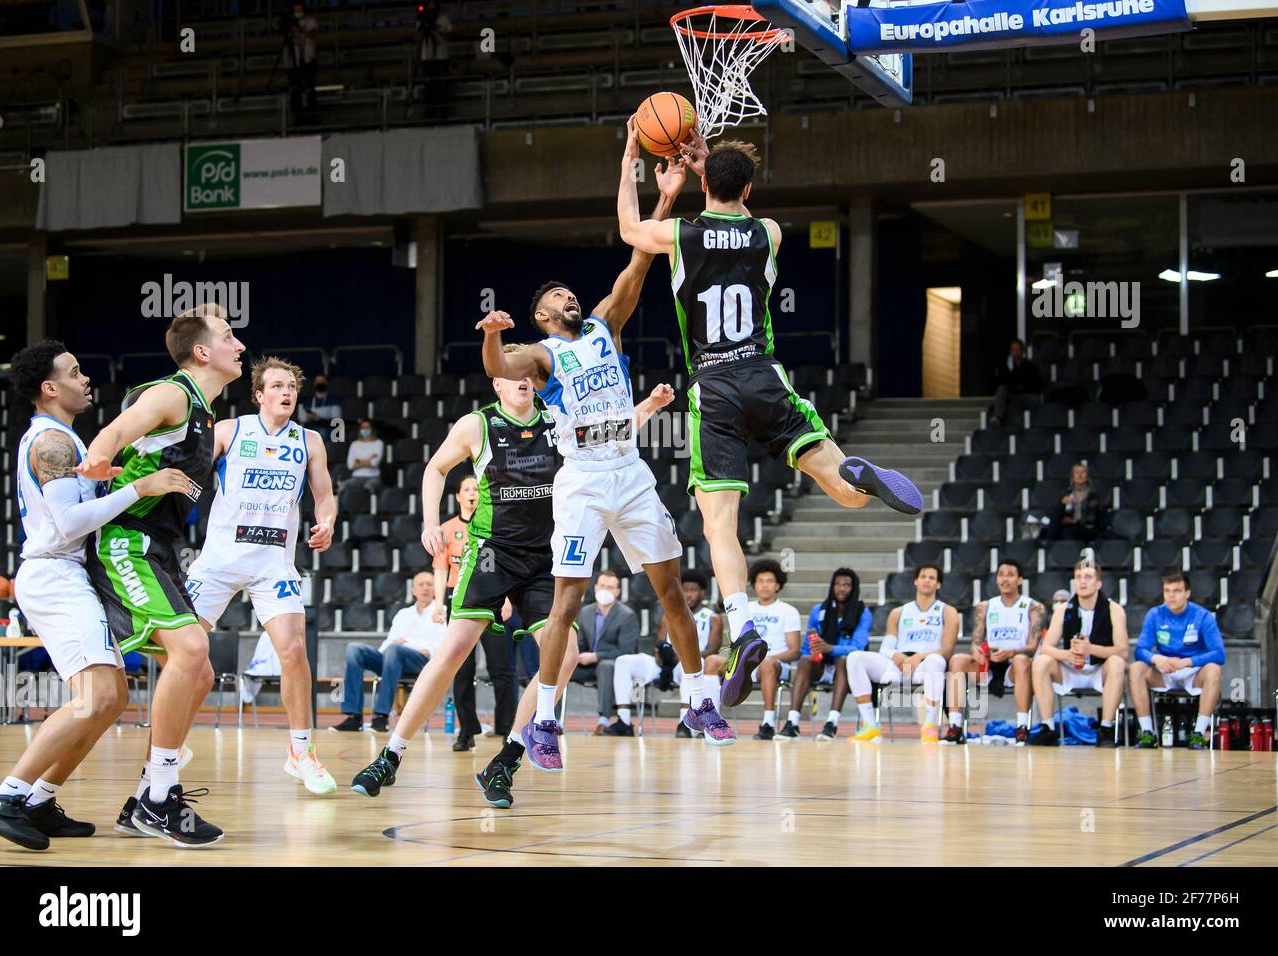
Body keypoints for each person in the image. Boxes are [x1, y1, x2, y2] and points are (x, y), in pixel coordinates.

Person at [616, 127, 923, 714]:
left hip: (716, 387)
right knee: (846, 494)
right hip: (765, 376)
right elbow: (739, 216)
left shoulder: (681, 234)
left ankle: (742, 626)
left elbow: (631, 229)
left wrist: (632, 159)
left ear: (706, 184)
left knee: (718, 526)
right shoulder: (769, 233)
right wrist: (715, 172)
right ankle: (854, 471)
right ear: (750, 188)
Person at [469, 156, 743, 775]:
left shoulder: (603, 326)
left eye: (570, 293)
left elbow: (640, 261)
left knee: (671, 588)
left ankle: (701, 700)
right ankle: (543, 721)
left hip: (631, 472)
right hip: (584, 481)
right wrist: (491, 332)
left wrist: (664, 196)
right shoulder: (538, 355)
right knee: (566, 600)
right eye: (556, 297)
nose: (568, 298)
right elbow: (496, 368)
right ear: (541, 315)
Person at [348, 352, 680, 808]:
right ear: (498, 386)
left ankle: (508, 758)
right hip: (491, 552)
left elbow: (611, 437)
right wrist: (430, 521)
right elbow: (435, 468)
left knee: (560, 657)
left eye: (528, 373)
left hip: (547, 556)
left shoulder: (560, 417)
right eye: (512, 374)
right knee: (453, 649)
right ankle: (391, 754)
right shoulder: (476, 425)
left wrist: (646, 406)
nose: (523, 379)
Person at [0, 344, 191, 851]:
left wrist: (109, 485)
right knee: (95, 698)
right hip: (54, 574)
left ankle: (40, 799)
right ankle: (7, 796)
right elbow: (70, 523)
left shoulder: (68, 441)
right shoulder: (51, 441)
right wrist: (138, 488)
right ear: (49, 388)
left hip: (66, 573)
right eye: (74, 373)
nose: (86, 380)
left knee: (113, 697)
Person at [78, 303, 245, 846]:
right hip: (128, 540)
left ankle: (147, 793)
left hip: (165, 549)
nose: (239, 345)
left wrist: (209, 313)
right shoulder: (172, 393)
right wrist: (101, 461)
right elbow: (116, 430)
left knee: (199, 670)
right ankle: (160, 798)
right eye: (228, 336)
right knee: (192, 652)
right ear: (202, 353)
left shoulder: (204, 412)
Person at [182, 357, 337, 794]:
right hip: (219, 559)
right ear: (259, 394)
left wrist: (327, 521)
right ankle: (171, 743)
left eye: (292, 386)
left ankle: (301, 752)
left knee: (292, 651)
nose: (287, 392)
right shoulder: (230, 432)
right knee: (187, 656)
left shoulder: (310, 441)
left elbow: (324, 496)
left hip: (273, 562)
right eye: (277, 386)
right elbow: (189, 475)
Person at [437, 475, 516, 752]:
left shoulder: (494, 524)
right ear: (458, 496)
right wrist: (438, 604)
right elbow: (440, 568)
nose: (471, 493)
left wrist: (507, 599)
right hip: (459, 602)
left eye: (475, 488)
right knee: (461, 670)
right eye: (466, 489)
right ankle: (467, 731)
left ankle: (506, 727)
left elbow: (505, 564)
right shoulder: (448, 529)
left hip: (493, 599)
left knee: (501, 668)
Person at [844, 564, 958, 743]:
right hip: (898, 666)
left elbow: (947, 649)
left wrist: (919, 656)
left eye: (932, 578)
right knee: (854, 657)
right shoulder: (898, 612)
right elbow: (886, 647)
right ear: (915, 581)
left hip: (925, 666)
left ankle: (929, 726)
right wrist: (898, 656)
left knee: (936, 660)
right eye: (923, 576)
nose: (927, 580)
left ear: (938, 585)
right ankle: (870, 725)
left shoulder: (948, 611)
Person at [608, 568, 723, 738]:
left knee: (690, 665)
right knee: (623, 661)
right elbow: (659, 643)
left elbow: (713, 649)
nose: (688, 594)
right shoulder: (670, 615)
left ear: (702, 592)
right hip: (668, 663)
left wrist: (684, 657)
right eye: (685, 590)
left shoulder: (712, 617)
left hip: (693, 665)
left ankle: (685, 723)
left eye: (693, 590)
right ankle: (624, 720)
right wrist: (662, 655)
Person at [1029, 556, 1129, 747]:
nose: (1082, 581)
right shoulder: (1064, 609)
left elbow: (1123, 650)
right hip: (1071, 667)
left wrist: (1091, 649)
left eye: (1088, 577)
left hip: (1100, 668)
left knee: (1117, 662)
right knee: (1041, 662)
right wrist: (1067, 655)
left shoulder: (1114, 609)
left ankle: (1106, 729)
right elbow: (1047, 648)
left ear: (1098, 583)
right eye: (1079, 576)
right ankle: (1047, 727)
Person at [945, 559, 1047, 745]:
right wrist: (977, 651)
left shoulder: (1034, 607)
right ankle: (955, 726)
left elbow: (1032, 647)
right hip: (990, 664)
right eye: (1001, 575)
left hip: (1016, 665)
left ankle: (1022, 727)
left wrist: (1010, 652)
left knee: (1022, 660)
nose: (1005, 579)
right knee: (958, 660)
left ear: (1020, 580)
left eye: (1010, 575)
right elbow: (976, 641)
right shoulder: (985, 607)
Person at [332, 571, 446, 732]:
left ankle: (381, 716)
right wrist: (388, 652)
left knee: (394, 650)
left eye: (429, 584)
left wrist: (416, 647)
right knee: (354, 649)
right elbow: (390, 642)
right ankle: (353, 717)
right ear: (413, 590)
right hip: (393, 659)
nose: (425, 588)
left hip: (421, 662)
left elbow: (442, 644)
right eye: (421, 584)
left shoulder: (442, 612)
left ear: (436, 589)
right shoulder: (403, 614)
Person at [1129, 570, 1225, 749]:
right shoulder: (1155, 614)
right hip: (1164, 670)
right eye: (1167, 591)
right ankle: (1148, 733)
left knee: (1214, 669)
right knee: (1136, 668)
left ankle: (1198, 734)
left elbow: (1219, 654)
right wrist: (1156, 658)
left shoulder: (1202, 616)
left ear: (1187, 593)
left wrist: (1187, 662)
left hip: (1194, 671)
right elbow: (1140, 650)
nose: (1171, 596)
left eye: (1177, 591)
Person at [778, 567, 871, 741]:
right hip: (822, 666)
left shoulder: (862, 612)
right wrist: (814, 652)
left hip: (848, 671)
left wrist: (831, 648)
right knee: (805, 659)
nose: (841, 588)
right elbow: (808, 645)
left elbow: (859, 647)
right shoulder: (818, 610)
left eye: (846, 585)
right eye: (837, 584)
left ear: (854, 588)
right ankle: (792, 723)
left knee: (845, 659)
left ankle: (831, 723)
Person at [572, 570, 640, 735]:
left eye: (610, 587)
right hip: (587, 665)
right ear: (595, 588)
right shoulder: (585, 612)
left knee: (606, 666)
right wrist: (576, 656)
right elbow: (580, 643)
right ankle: (553, 721)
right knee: (561, 666)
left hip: (613, 668)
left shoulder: (627, 616)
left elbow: (626, 651)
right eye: (602, 586)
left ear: (617, 591)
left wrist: (596, 656)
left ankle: (603, 721)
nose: (605, 590)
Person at [743, 559, 802, 741]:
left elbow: (794, 651)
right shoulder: (746, 609)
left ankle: (768, 724)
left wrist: (767, 658)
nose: (765, 585)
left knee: (767, 663)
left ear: (778, 585)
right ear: (754, 584)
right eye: (760, 581)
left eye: (769, 581)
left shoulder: (788, 611)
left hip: (777, 664)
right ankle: (707, 722)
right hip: (747, 663)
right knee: (712, 662)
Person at [1041, 462, 1101, 542]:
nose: (1080, 475)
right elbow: (1058, 516)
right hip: (1070, 527)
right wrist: (1062, 505)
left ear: (1087, 476)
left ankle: (1048, 542)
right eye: (1077, 472)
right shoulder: (1067, 493)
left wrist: (1075, 521)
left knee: (1067, 533)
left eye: (1083, 472)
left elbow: (1094, 516)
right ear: (1073, 477)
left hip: (1088, 528)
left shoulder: (1093, 495)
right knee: (1056, 527)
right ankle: (1047, 542)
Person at [990, 338, 1043, 426]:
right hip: (1013, 395)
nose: (1015, 352)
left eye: (1018, 350)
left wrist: (1020, 386)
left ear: (1022, 351)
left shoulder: (1031, 367)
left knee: (1034, 399)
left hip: (1026, 395)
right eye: (1013, 350)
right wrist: (1010, 370)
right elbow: (1004, 383)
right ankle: (998, 417)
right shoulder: (1007, 367)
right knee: (1001, 389)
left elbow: (1035, 385)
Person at [415, 2, 453, 119]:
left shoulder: (443, 19)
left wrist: (436, 31)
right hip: (427, 56)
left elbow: (449, 36)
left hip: (441, 56)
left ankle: (443, 111)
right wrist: (424, 29)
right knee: (428, 85)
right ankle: (429, 111)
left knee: (442, 84)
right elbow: (417, 39)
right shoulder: (421, 19)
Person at [281, 2, 318, 120]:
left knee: (309, 86)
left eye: (300, 7)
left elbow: (312, 33)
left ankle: (311, 112)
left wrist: (299, 29)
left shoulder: (310, 20)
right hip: (294, 61)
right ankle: (297, 114)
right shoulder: (290, 24)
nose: (298, 10)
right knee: (295, 87)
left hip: (307, 59)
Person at [297, 373, 341, 441]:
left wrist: (318, 419)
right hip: (310, 429)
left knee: (321, 433)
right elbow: (302, 422)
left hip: (327, 430)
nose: (320, 383)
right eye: (318, 382)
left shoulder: (334, 401)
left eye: (322, 382)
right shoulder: (307, 402)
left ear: (326, 384)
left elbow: (337, 423)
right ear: (314, 384)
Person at [344, 419, 384, 493]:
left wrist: (357, 461)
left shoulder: (378, 443)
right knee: (344, 486)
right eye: (363, 428)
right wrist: (369, 459)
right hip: (356, 478)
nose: (365, 430)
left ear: (372, 429)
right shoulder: (354, 444)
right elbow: (350, 465)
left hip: (373, 477)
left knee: (369, 487)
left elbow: (374, 463)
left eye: (367, 428)